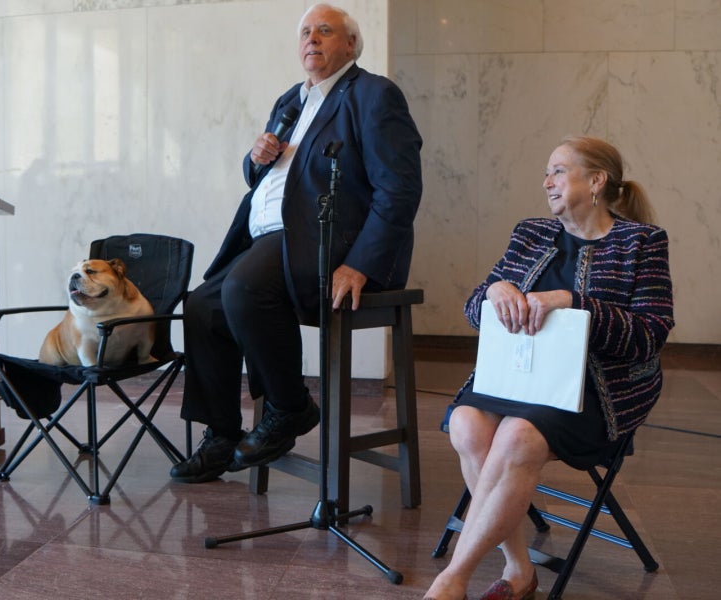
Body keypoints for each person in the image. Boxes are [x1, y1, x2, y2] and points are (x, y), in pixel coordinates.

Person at [170, 3, 423, 484]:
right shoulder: (291, 100)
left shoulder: (373, 94)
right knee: (203, 305)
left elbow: (400, 187)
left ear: (351, 44)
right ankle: (221, 435)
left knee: (244, 288)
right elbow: (262, 178)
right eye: (306, 32)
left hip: (328, 245)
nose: (311, 39)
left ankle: (289, 408)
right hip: (268, 240)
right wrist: (255, 158)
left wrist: (361, 263)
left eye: (324, 31)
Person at [422, 135, 674, 600]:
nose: (547, 182)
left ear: (595, 181)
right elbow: (475, 310)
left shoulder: (641, 241)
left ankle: (452, 578)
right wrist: (493, 292)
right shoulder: (531, 233)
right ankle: (519, 569)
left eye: (558, 171)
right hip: (518, 377)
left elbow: (651, 334)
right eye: (546, 172)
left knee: (517, 435)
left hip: (598, 389)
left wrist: (576, 303)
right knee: (466, 424)